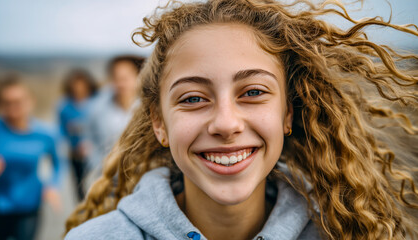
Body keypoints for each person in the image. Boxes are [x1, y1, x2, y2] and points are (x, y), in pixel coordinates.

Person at [65, 0, 418, 239]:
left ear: (287, 113)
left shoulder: (345, 234)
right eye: (192, 98)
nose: (226, 123)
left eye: (252, 92)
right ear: (160, 123)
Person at [0, 76, 62, 240]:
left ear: (31, 101)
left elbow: (58, 163)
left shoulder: (45, 134)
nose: (13, 107)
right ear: (0, 105)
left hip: (29, 205)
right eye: (7, 102)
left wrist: (52, 185)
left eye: (18, 101)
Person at [84, 56, 144, 171]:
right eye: (117, 78)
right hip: (108, 175)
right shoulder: (96, 107)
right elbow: (89, 138)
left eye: (125, 78)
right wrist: (98, 166)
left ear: (138, 77)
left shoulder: (150, 108)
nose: (121, 84)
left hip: (142, 174)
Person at [58, 69, 98, 201]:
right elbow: (61, 131)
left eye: (82, 85)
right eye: (75, 86)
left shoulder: (97, 103)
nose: (78, 89)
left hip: (97, 152)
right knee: (79, 184)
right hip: (75, 154)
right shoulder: (64, 107)